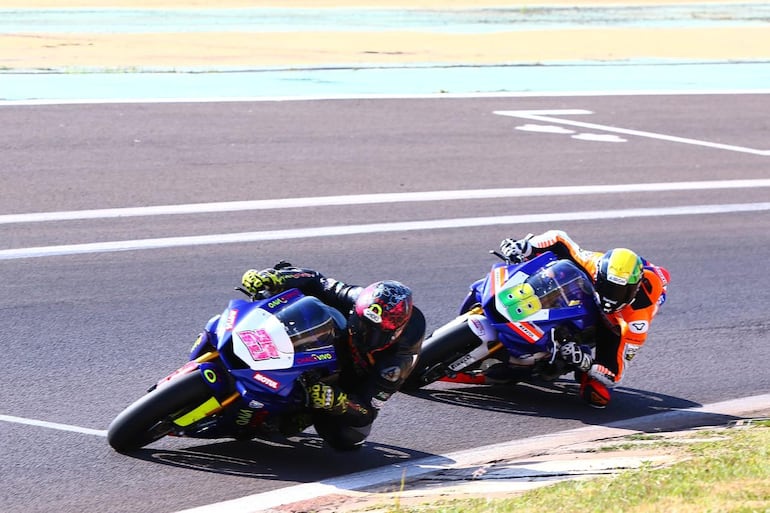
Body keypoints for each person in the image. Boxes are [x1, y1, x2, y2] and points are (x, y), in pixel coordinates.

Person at [240, 262, 425, 450]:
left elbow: (367, 411)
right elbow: (317, 281)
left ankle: (296, 409)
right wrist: (276, 278)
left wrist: (337, 401)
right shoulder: (357, 298)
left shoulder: (395, 364)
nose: (362, 332)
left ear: (395, 333)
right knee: (277, 293)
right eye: (361, 323)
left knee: (348, 436)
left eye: (372, 331)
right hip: (331, 339)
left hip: (351, 376)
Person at [498, 230, 670, 408]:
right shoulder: (594, 263)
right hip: (596, 286)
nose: (611, 296)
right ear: (600, 275)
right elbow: (560, 239)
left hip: (617, 320)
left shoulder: (637, 322)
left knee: (598, 393)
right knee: (555, 272)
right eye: (608, 287)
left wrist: (586, 363)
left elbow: (615, 373)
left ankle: (577, 360)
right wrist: (526, 246)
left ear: (634, 289)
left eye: (619, 292)